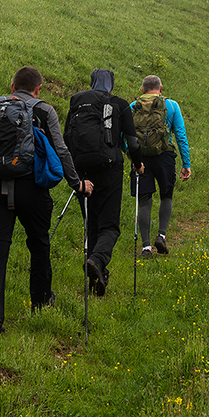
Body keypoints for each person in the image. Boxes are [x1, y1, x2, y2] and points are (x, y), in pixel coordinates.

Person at [0, 67, 90, 335]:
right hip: (31, 188)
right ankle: (41, 302)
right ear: (38, 88)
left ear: (12, 86)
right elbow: (61, 148)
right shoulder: (44, 110)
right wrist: (76, 183)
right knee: (39, 243)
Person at [65, 69, 139, 296]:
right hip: (109, 168)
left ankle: (98, 277)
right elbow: (132, 141)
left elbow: (67, 137)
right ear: (111, 84)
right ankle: (96, 260)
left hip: (81, 169)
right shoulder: (120, 104)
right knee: (109, 226)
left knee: (92, 224)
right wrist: (137, 163)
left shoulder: (77, 102)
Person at [132, 74, 192, 257]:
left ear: (142, 90)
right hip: (165, 156)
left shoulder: (133, 107)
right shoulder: (172, 106)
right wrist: (186, 163)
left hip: (140, 159)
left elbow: (124, 137)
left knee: (144, 201)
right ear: (161, 88)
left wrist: (133, 158)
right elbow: (180, 135)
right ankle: (161, 235)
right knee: (166, 196)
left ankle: (145, 247)